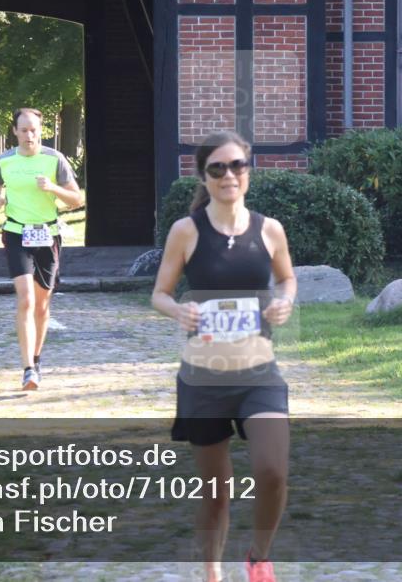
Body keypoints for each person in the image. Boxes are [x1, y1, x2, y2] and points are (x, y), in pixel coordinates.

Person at [151, 131, 296, 582]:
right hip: (204, 378)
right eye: (218, 167)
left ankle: (258, 556)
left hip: (259, 374)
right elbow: (160, 293)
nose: (228, 175)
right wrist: (179, 310)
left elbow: (287, 279)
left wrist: (284, 301)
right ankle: (212, 573)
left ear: (248, 172)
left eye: (237, 165)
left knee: (273, 471)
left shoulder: (269, 230)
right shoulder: (186, 231)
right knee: (216, 493)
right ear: (204, 175)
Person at [0, 108, 83, 390]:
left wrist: (52, 188)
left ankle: (36, 360)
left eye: (34, 130)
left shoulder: (55, 159)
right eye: (24, 130)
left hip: (47, 236)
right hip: (17, 233)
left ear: (41, 131)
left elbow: (76, 199)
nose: (30, 135)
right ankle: (28, 368)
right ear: (15, 132)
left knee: (41, 304)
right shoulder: (5, 161)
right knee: (26, 299)